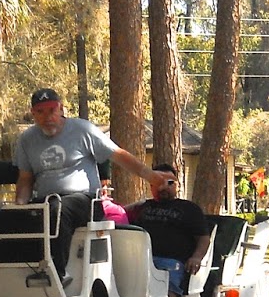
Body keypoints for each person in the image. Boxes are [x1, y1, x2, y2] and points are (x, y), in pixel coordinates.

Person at [13, 88, 163, 278]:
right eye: (40, 112)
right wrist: (20, 205)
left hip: (85, 201)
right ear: (33, 114)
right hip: (46, 200)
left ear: (61, 108)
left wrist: (150, 176)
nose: (47, 117)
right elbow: (25, 178)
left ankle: (56, 274)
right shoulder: (27, 139)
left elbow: (118, 155)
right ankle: (13, 273)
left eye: (52, 110)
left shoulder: (82, 129)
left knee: (57, 210)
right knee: (16, 217)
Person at [125, 164, 215, 297]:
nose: (163, 187)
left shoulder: (189, 209)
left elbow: (203, 238)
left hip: (171, 262)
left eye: (169, 182)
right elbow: (119, 214)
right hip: (139, 260)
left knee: (167, 290)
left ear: (177, 185)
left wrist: (196, 257)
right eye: (157, 182)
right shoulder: (142, 207)